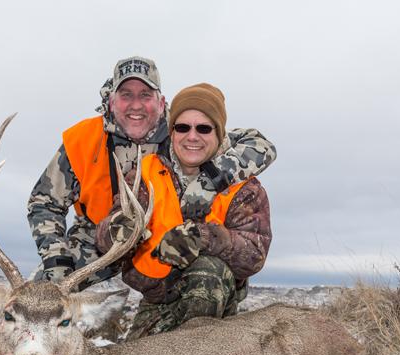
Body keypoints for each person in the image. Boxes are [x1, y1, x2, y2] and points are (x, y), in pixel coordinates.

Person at [28, 56, 276, 287]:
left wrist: (211, 179)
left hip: (163, 237)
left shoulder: (181, 131)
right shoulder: (82, 140)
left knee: (201, 281)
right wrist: (56, 259)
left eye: (145, 95)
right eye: (126, 95)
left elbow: (258, 144)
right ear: (111, 100)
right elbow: (44, 203)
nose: (136, 105)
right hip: (98, 238)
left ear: (160, 102)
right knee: (45, 293)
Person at [95, 83, 272, 339]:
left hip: (213, 307)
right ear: (172, 130)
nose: (192, 136)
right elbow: (106, 234)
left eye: (203, 128)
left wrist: (205, 238)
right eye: (182, 127)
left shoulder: (243, 188)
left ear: (219, 133)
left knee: (208, 270)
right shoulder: (144, 174)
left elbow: (254, 253)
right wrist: (117, 231)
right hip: (156, 302)